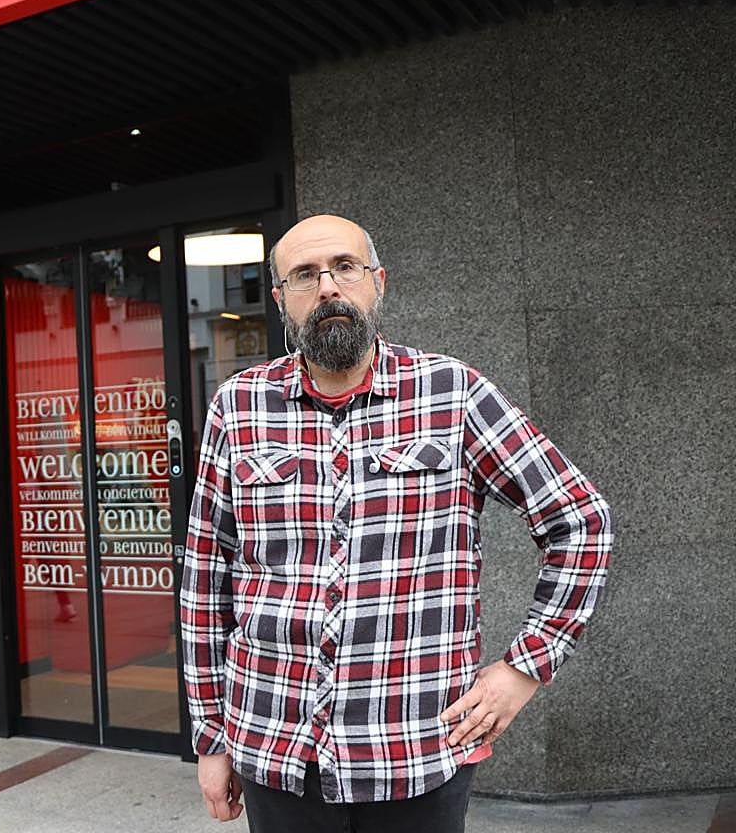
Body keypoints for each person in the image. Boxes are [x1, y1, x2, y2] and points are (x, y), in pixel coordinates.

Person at [180, 215, 612, 832]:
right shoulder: (238, 405)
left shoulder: (452, 394)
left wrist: (524, 669)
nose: (328, 286)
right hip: (272, 745)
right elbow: (206, 580)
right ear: (280, 300)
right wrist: (212, 739)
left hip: (417, 749)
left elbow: (581, 520)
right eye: (304, 275)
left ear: (377, 281)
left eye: (344, 267)